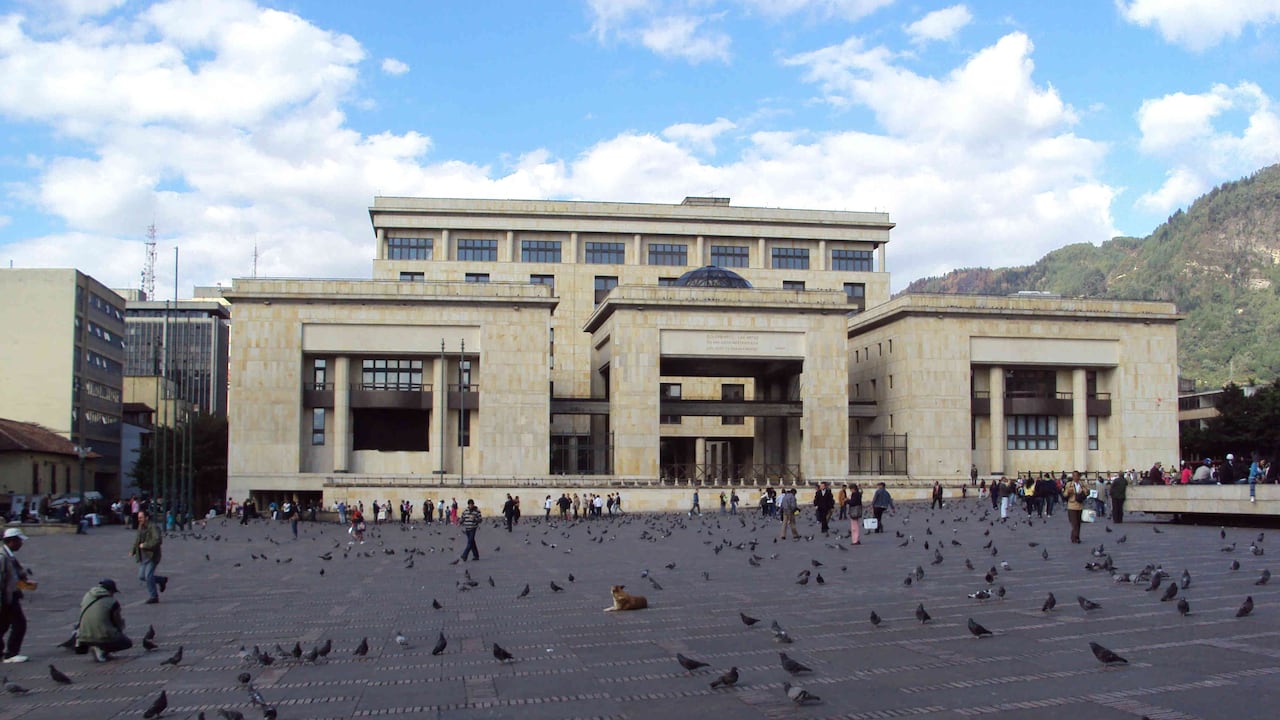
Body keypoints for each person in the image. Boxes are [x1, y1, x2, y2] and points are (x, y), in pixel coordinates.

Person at [76, 579, 132, 662]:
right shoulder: (112, 602)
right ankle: (101, 649)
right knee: (126, 642)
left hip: (83, 636)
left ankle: (98, 648)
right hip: (101, 636)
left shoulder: (87, 595)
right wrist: (121, 626)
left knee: (101, 626)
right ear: (111, 590)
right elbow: (117, 622)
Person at [0, 528, 31, 663]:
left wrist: (22, 578)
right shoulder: (2, 557)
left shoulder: (9, 555)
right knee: (19, 624)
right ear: (12, 541)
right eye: (19, 541)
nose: (21, 544)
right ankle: (11, 653)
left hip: (11, 595)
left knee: (4, 625)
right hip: (7, 597)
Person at [130, 510, 168, 604]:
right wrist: (133, 550)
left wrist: (145, 545)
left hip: (152, 556)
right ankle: (161, 580)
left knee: (148, 576)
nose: (139, 519)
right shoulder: (140, 527)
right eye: (138, 518)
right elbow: (137, 540)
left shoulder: (153, 527)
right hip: (143, 556)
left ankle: (154, 596)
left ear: (146, 517)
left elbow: (157, 540)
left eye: (141, 517)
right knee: (142, 576)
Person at [1064, 471, 1087, 544]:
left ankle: (1076, 537)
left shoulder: (1082, 484)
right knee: (1074, 523)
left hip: (1080, 506)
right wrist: (1068, 492)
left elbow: (1087, 492)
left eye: (1077, 476)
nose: (1076, 477)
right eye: (1074, 476)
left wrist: (1085, 491)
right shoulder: (1069, 484)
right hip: (1072, 506)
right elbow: (1064, 494)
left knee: (1078, 523)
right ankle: (1075, 538)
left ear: (1079, 477)